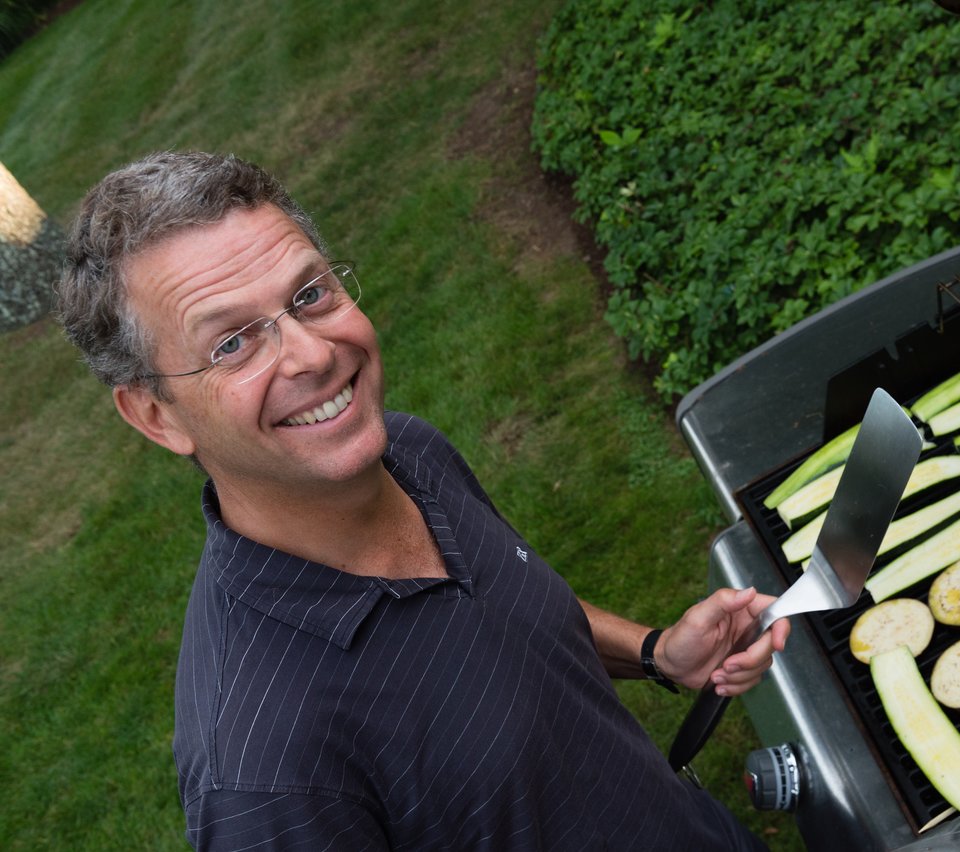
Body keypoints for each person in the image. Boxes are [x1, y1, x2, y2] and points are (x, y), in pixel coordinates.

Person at [56, 151, 790, 850]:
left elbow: (503, 621)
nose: (312, 354)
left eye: (309, 294)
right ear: (158, 415)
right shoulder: (263, 777)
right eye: (233, 344)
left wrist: (658, 654)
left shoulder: (407, 451)